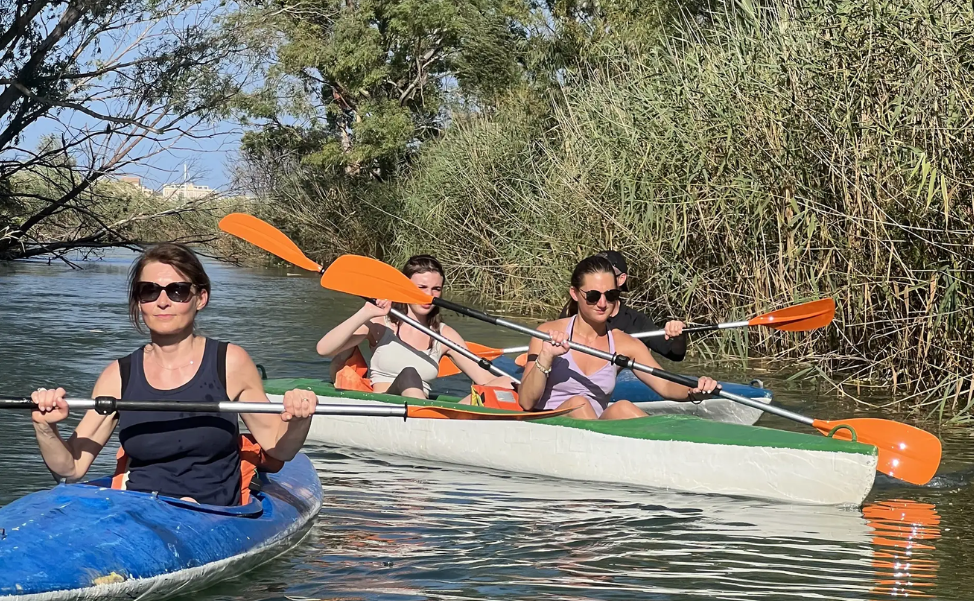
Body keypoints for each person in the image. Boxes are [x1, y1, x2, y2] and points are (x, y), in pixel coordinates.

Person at [30, 243, 318, 506]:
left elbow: (279, 449)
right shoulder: (117, 375)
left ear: (200, 298)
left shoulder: (230, 362)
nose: (162, 301)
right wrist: (45, 427)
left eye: (177, 290)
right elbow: (71, 467)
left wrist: (299, 419)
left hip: (213, 513)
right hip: (140, 510)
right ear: (139, 301)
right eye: (149, 291)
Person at [519, 255, 717, 420]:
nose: (603, 303)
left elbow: (665, 385)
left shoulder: (624, 343)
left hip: (596, 428)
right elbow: (526, 402)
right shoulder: (546, 333)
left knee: (623, 407)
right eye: (593, 296)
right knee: (579, 404)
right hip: (548, 424)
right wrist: (546, 357)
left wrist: (694, 391)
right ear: (575, 293)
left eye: (611, 295)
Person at [316, 255, 512, 400]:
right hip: (384, 406)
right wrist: (365, 313)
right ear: (406, 288)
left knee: (505, 381)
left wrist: (526, 381)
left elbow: (484, 380)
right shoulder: (380, 324)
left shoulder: (444, 335)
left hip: (422, 410)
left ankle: (443, 422)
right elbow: (324, 349)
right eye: (421, 288)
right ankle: (426, 421)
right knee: (409, 374)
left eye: (435, 289)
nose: (429, 296)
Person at [595, 250, 686, 361]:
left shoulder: (636, 322)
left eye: (607, 274)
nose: (600, 279)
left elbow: (675, 354)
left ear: (621, 279)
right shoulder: (579, 312)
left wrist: (679, 335)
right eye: (596, 273)